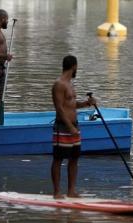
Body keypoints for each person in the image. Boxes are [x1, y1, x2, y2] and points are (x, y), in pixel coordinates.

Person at [51, 55, 96, 199]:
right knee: (58, 158)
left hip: (74, 126)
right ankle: (57, 192)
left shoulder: (70, 84)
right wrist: (70, 127)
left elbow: (71, 105)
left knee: (74, 158)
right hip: (64, 127)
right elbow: (59, 108)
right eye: (77, 67)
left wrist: (86, 103)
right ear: (74, 66)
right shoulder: (59, 84)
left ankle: (71, 191)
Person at [0, 9, 13, 125]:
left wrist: (4, 58)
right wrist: (4, 56)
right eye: (7, 19)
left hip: (0, 68)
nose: (8, 22)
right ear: (2, 19)